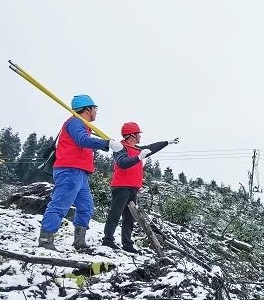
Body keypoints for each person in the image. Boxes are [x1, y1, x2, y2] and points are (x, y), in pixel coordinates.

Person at [38, 94, 125, 251]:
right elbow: (82, 140)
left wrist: (107, 143)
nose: (96, 112)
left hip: (81, 173)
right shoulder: (75, 122)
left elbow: (85, 140)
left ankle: (79, 241)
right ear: (87, 109)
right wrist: (106, 144)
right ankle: (45, 240)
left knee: (86, 207)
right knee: (59, 205)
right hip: (69, 170)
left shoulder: (83, 125)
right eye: (95, 109)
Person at [102, 122, 178, 252]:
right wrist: (139, 157)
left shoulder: (137, 149)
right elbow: (122, 163)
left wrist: (167, 142)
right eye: (138, 134)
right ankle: (107, 240)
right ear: (132, 135)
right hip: (121, 187)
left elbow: (151, 147)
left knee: (129, 217)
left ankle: (127, 244)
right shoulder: (120, 148)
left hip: (133, 188)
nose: (140, 136)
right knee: (115, 214)